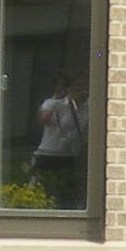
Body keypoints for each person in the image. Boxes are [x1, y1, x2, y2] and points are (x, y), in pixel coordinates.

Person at [29, 75, 86, 206]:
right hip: (48, 151)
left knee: (66, 187)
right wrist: (57, 101)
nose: (61, 89)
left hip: (68, 152)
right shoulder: (50, 103)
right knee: (41, 184)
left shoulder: (75, 105)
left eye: (64, 86)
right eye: (58, 86)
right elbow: (44, 120)